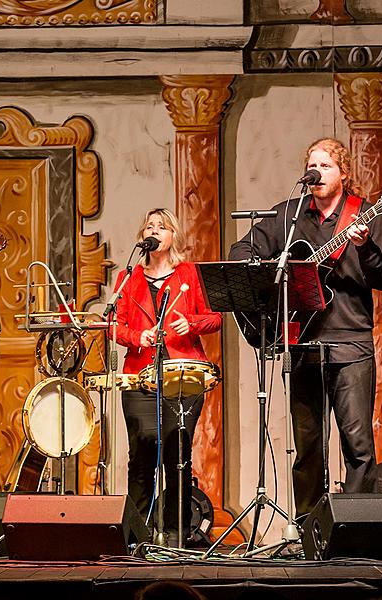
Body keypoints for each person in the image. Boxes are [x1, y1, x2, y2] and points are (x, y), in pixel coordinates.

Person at [228, 137, 382, 518]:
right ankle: (309, 529)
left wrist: (366, 246)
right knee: (307, 447)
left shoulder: (366, 215)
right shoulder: (289, 216)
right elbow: (242, 251)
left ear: (344, 173)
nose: (316, 172)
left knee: (358, 445)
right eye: (312, 165)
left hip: (350, 344)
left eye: (326, 165)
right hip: (301, 342)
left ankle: (355, 530)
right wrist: (269, 277)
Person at [113, 208, 222, 545]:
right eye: (149, 226)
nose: (155, 231)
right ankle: (136, 536)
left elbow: (215, 317)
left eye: (162, 227)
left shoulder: (189, 273)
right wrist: (136, 337)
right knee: (141, 456)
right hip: (139, 376)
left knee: (178, 455)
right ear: (142, 235)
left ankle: (176, 534)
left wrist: (191, 323)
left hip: (184, 375)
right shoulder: (128, 277)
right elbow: (113, 325)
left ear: (173, 235)